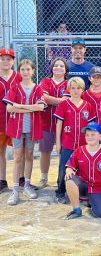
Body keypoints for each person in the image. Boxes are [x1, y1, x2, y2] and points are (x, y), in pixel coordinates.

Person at [3, 59, 47, 205]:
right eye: (23, 69)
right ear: (19, 71)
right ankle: (15, 190)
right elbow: (9, 108)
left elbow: (41, 108)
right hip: (17, 128)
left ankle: (27, 185)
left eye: (28, 69)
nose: (26, 72)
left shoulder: (37, 88)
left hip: (31, 127)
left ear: (33, 71)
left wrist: (19, 106)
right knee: (17, 157)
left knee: (29, 155)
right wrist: (31, 107)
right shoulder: (15, 87)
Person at [54, 77, 96, 204]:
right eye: (73, 88)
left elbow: (91, 126)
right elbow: (59, 124)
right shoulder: (63, 104)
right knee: (63, 168)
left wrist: (92, 143)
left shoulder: (87, 105)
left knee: (83, 169)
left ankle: (82, 192)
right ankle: (60, 192)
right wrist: (58, 142)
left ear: (83, 90)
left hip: (83, 145)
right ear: (69, 89)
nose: (75, 90)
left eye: (78, 88)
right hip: (67, 143)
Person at [38, 57, 69, 189]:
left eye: (62, 66)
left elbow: (68, 101)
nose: (58, 68)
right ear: (51, 68)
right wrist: (60, 100)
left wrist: (52, 100)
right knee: (45, 151)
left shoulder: (69, 83)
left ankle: (62, 179)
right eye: (56, 65)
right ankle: (44, 177)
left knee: (64, 152)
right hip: (46, 122)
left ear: (66, 70)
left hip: (64, 124)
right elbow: (44, 97)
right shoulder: (45, 81)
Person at [0, 48, 22, 193]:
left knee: (19, 151)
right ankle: (2, 181)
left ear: (14, 61)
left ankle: (21, 179)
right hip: (1, 120)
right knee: (0, 151)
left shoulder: (19, 76)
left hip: (17, 121)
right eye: (3, 58)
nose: (6, 61)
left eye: (9, 59)